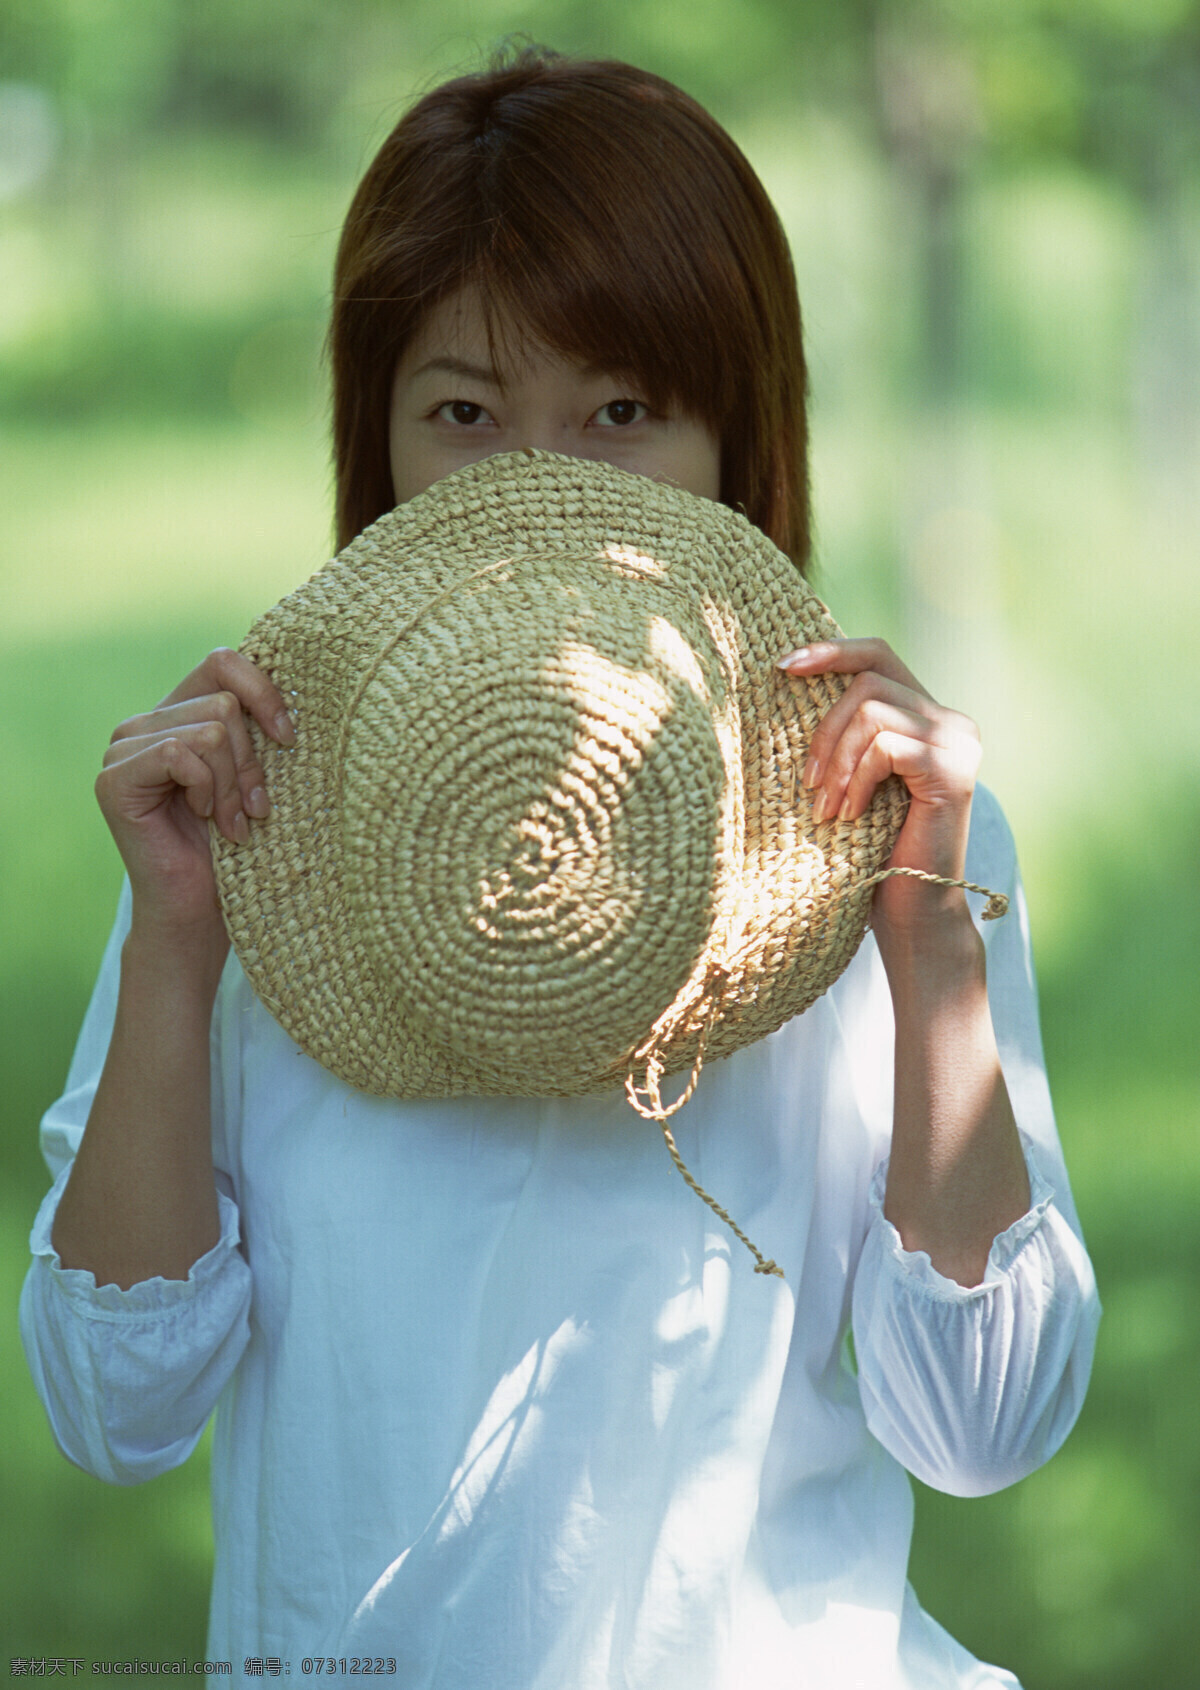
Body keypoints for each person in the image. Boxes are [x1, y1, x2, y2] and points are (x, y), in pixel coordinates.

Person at [20, 44, 1099, 1688]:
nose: (539, 481)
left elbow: (983, 1424)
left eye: (622, 408)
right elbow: (116, 1411)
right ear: (373, 440)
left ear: (741, 436)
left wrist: (928, 940)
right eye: (464, 411)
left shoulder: (888, 825)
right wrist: (177, 944)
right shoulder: (257, 822)